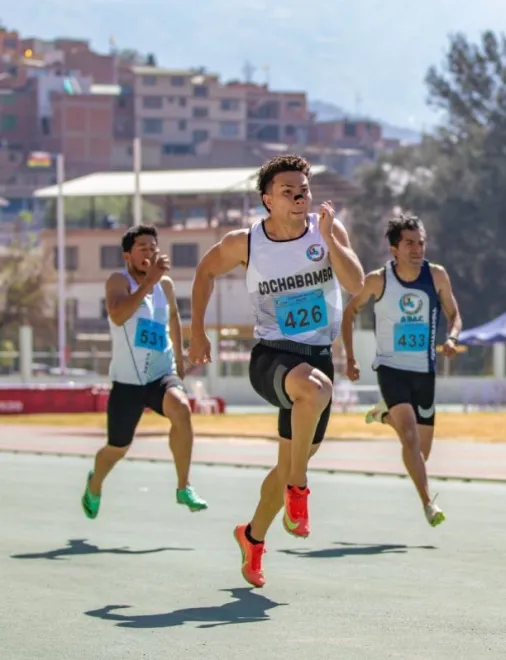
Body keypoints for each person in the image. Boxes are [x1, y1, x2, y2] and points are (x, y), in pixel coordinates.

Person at [188, 154, 365, 588]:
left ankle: (252, 538)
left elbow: (357, 282)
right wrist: (197, 332)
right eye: (287, 191)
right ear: (268, 199)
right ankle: (299, 494)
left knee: (288, 460)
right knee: (313, 389)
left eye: (303, 189)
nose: (299, 196)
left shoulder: (326, 232)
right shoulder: (245, 241)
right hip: (273, 356)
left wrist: (331, 240)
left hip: (318, 354)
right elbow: (204, 271)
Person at [340, 214, 462, 527]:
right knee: (409, 438)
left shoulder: (436, 276)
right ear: (394, 248)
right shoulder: (377, 280)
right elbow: (349, 312)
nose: (417, 249)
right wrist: (350, 358)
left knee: (421, 453)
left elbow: (454, 314)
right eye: (409, 243)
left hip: (425, 372)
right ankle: (428, 503)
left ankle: (385, 416)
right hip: (391, 369)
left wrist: (452, 337)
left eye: (420, 242)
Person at [81, 225, 208, 519]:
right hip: (128, 382)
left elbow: (174, 320)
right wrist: (146, 284)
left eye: (153, 247)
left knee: (182, 408)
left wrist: (179, 361)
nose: (149, 253)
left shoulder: (165, 285)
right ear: (128, 255)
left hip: (160, 374)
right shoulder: (118, 281)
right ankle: (95, 483)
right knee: (117, 448)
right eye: (142, 248)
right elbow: (117, 314)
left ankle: (183, 486)